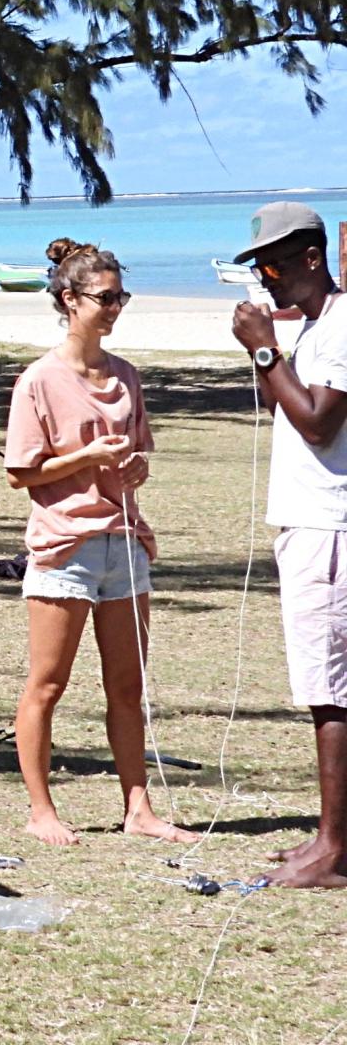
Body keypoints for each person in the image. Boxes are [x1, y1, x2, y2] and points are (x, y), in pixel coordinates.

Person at [3, 238, 195, 848]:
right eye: (105, 298)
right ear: (69, 299)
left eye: (121, 297)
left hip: (125, 542)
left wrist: (133, 467)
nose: (115, 308)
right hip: (65, 546)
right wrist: (84, 456)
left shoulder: (127, 377)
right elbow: (20, 472)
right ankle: (41, 810)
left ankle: (137, 806)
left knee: (128, 684)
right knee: (48, 683)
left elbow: (138, 456)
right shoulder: (39, 380)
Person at [230, 202, 347, 889]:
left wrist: (262, 348)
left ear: (312, 256)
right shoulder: (315, 329)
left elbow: (318, 423)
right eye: (257, 267)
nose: (265, 279)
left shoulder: (338, 325)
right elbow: (286, 402)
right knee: (322, 688)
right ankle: (331, 834)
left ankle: (335, 851)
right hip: (309, 521)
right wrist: (272, 355)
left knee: (332, 692)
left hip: (330, 526)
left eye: (274, 265)